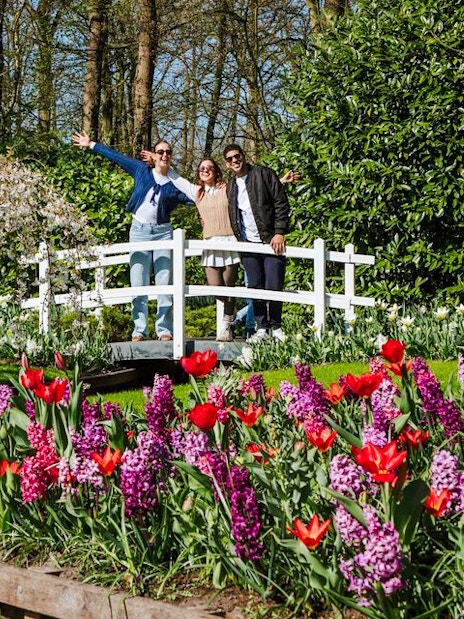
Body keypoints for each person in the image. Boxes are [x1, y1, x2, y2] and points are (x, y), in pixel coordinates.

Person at [141, 150, 298, 342]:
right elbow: (176, 178)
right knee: (217, 289)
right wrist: (160, 161)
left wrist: (280, 181)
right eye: (202, 169)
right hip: (210, 244)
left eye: (209, 168)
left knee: (232, 286)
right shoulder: (196, 192)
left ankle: (231, 324)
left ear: (216, 171)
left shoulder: (227, 188)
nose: (205, 170)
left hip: (231, 242)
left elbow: (252, 194)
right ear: (198, 173)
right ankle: (234, 316)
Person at [72, 131, 194, 342]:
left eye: (168, 152)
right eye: (160, 152)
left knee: (165, 280)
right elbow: (117, 157)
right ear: (153, 156)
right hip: (139, 231)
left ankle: (164, 329)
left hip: (163, 232)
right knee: (138, 279)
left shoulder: (175, 184)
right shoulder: (141, 170)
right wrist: (91, 144)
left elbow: (195, 198)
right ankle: (139, 329)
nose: (164, 155)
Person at [224, 144, 290, 342]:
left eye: (237, 156)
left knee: (274, 284)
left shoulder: (263, 174)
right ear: (227, 164)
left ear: (243, 157)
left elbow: (280, 202)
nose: (235, 160)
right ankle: (261, 327)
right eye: (230, 159)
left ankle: (276, 327)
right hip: (247, 244)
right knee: (255, 285)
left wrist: (279, 232)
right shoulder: (231, 186)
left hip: (270, 240)